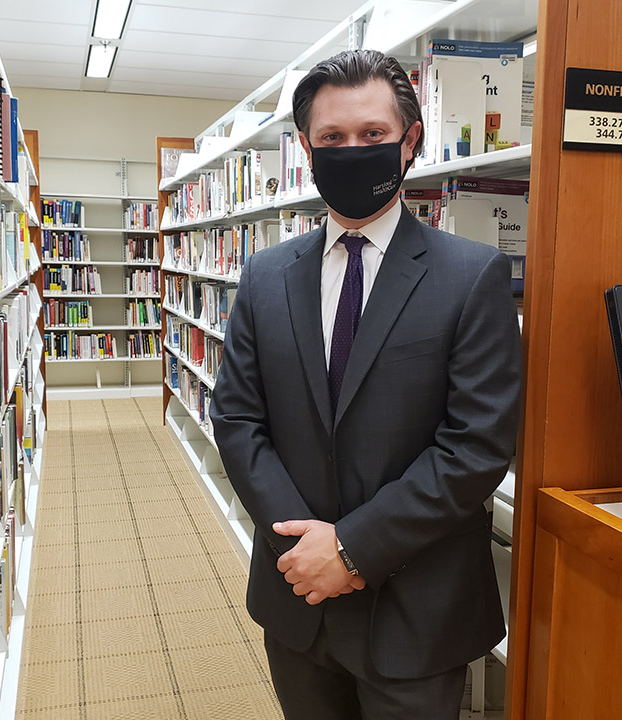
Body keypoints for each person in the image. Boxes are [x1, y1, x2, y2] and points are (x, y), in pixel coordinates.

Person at [210, 48, 522, 720]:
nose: (353, 150)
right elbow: (236, 418)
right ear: (306, 149)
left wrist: (352, 548)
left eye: (373, 135)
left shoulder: (472, 277)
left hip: (417, 610)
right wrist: (304, 549)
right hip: (297, 600)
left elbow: (477, 446)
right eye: (332, 139)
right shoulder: (265, 277)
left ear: (409, 142)